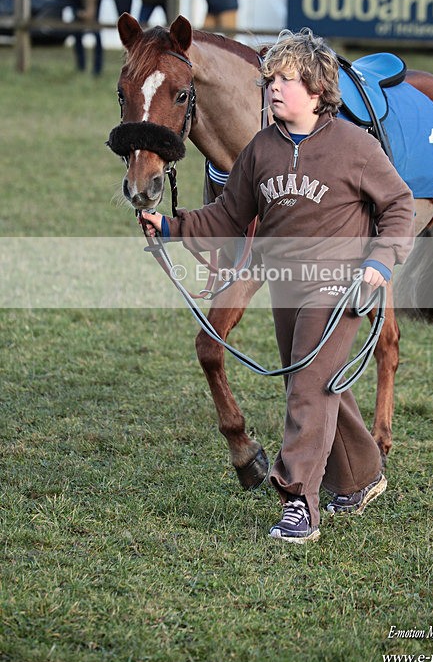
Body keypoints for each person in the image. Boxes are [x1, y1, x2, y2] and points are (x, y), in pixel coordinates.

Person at [140, 29, 415, 543]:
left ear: (315, 91)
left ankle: (298, 503)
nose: (273, 89)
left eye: (285, 80)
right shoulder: (262, 150)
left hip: (340, 286)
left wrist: (381, 261)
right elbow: (228, 214)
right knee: (311, 381)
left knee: (308, 384)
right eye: (270, 81)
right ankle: (362, 476)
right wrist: (172, 226)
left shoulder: (354, 146)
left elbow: (399, 205)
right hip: (288, 285)